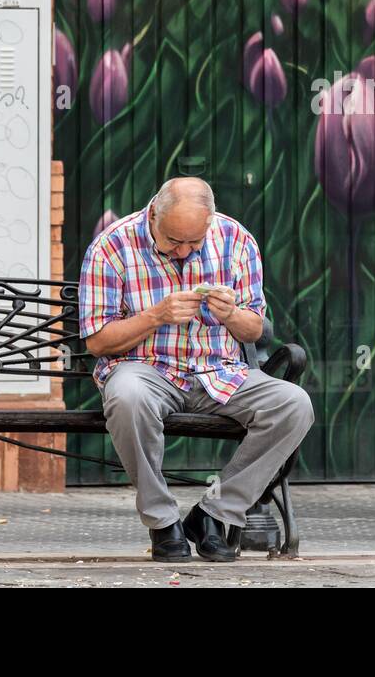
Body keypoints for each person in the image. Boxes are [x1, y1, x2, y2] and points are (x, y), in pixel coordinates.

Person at [77, 177, 313, 561]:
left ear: (210, 221)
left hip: (219, 371)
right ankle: (162, 522)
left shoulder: (236, 240)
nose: (184, 251)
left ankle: (213, 513)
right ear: (154, 213)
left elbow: (255, 328)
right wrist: (155, 316)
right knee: (127, 395)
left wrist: (232, 315)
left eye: (195, 243)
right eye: (173, 241)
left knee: (294, 405)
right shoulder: (113, 245)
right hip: (147, 370)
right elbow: (97, 342)